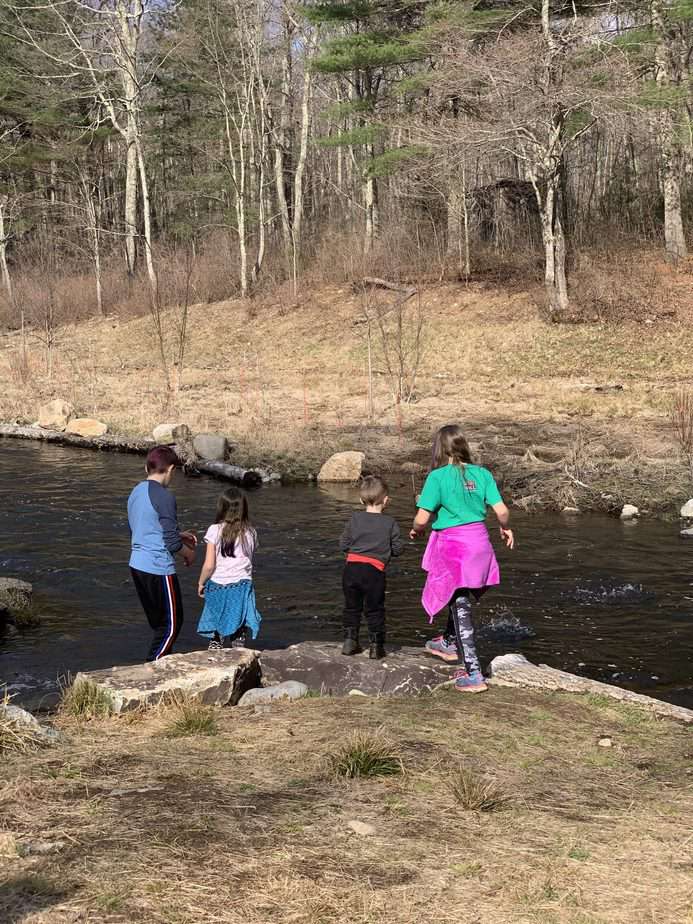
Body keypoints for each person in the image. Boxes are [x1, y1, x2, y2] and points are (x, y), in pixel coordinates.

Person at [410, 424, 514, 693]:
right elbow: (502, 511)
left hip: (454, 549)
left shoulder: (437, 477)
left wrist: (416, 530)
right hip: (480, 545)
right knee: (458, 595)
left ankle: (474, 674)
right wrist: (504, 527)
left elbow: (422, 519)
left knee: (460, 603)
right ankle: (447, 642)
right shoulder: (482, 474)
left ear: (440, 449)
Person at [128, 446, 197, 662]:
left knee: (159, 626)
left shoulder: (136, 491)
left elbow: (144, 526)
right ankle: (153, 667)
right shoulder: (165, 497)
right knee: (172, 625)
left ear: (146, 467)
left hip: (137, 565)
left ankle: (159, 663)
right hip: (158, 568)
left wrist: (178, 533)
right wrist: (188, 554)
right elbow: (172, 543)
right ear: (171, 469)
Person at [339, 475, 403, 659]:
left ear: (361, 500)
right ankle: (376, 647)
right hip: (375, 571)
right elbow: (398, 549)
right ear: (386, 500)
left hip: (351, 569)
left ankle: (350, 642)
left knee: (351, 607)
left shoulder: (354, 519)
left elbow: (343, 544)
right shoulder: (390, 523)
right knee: (375, 608)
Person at [196, 486, 261, 650]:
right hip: (242, 586)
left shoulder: (214, 530)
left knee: (216, 632)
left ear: (222, 508)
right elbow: (249, 562)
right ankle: (239, 660)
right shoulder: (251, 532)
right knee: (238, 630)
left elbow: (209, 565)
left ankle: (215, 659)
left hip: (218, 585)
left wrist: (201, 582)